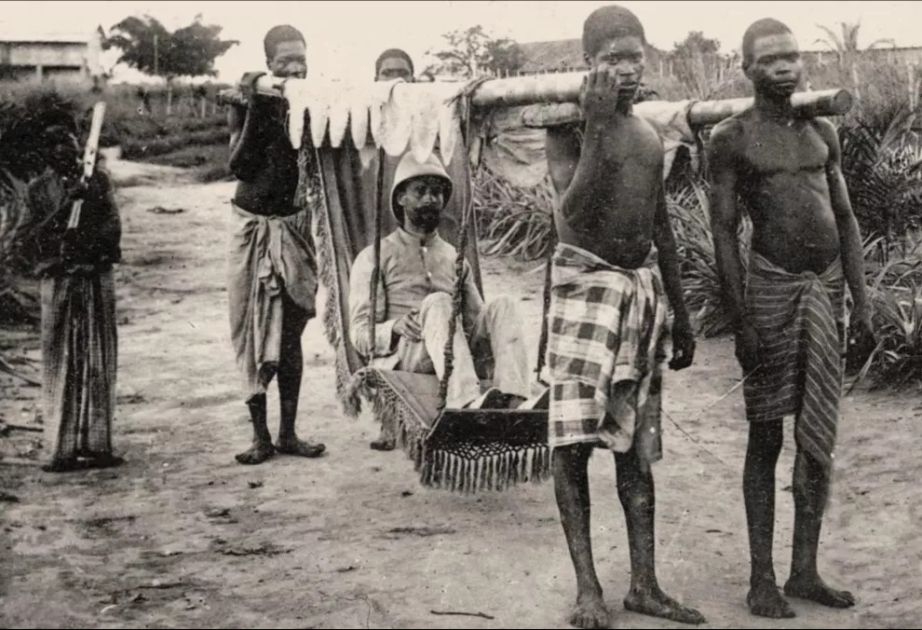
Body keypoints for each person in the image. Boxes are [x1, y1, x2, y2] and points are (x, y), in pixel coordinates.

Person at [543, 6, 704, 628]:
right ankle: (588, 589)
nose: (626, 68)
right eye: (612, 58)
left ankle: (644, 584)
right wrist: (595, 124)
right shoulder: (567, 129)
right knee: (573, 445)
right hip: (586, 292)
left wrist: (681, 313)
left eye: (635, 56)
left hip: (640, 295)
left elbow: (662, 229)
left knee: (634, 447)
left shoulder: (647, 134)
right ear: (588, 64)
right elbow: (574, 212)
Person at [708, 18, 871, 619]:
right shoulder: (731, 137)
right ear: (746, 69)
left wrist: (861, 300)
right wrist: (741, 321)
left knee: (818, 435)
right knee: (765, 435)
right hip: (772, 292)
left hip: (826, 291)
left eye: (791, 56)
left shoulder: (821, 130)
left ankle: (805, 570)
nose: (784, 67)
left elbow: (845, 219)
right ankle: (761, 579)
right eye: (769, 59)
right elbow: (724, 231)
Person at [349, 152, 532, 412]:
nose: (430, 199)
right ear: (401, 198)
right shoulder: (375, 256)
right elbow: (359, 333)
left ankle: (515, 398)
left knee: (503, 305)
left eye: (436, 192)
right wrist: (394, 327)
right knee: (438, 302)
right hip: (408, 355)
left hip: (455, 354)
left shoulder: (454, 258)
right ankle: (464, 401)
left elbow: (477, 321)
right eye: (420, 191)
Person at [227, 24, 324, 465]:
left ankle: (288, 433)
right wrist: (257, 107)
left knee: (291, 335)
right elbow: (240, 166)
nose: (295, 68)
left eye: (301, 59)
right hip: (252, 228)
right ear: (269, 64)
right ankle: (260, 437)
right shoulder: (245, 101)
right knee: (252, 331)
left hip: (294, 227)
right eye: (285, 61)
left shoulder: (314, 103)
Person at [29, 105, 122, 473]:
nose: (63, 149)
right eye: (53, 145)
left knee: (99, 358)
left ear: (77, 143)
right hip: (59, 279)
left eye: (67, 141)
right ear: (45, 153)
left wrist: (93, 257)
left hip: (94, 275)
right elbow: (34, 238)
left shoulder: (98, 180)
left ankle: (97, 444)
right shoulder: (39, 190)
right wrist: (68, 205)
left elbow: (112, 224)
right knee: (61, 359)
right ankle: (61, 449)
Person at [366, 47, 416, 451]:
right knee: (381, 318)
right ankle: (387, 420)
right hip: (381, 228)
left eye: (403, 72)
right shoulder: (366, 118)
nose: (396, 79)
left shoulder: (427, 115)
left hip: (424, 225)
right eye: (387, 73)